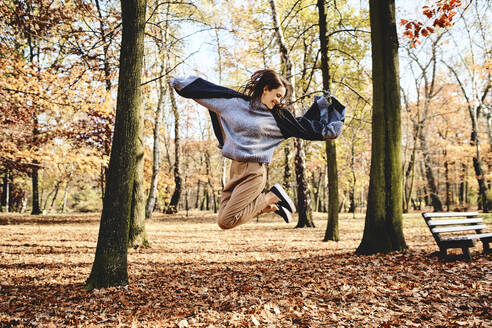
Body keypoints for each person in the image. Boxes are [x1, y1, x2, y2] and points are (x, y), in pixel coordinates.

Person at [170, 69, 345, 229]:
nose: (279, 101)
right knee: (223, 215)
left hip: (254, 172)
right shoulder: (234, 103)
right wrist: (182, 84)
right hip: (235, 169)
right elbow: (209, 93)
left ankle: (271, 196)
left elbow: (304, 127)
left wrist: (326, 109)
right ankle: (270, 206)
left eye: (282, 98)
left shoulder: (278, 119)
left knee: (226, 222)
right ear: (265, 89)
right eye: (277, 95)